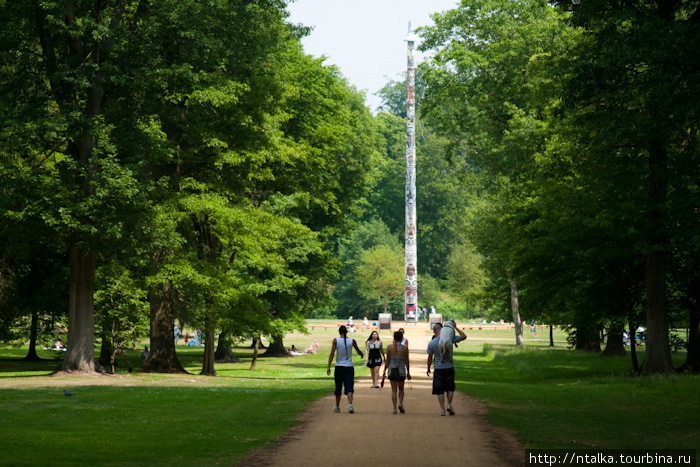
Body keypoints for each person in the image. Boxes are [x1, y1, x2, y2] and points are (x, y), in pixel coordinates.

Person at [427, 321, 467, 416]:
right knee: (450, 387)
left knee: (439, 389)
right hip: (449, 367)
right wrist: (455, 327)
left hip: (438, 368)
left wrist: (428, 368)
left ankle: (442, 409)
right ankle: (449, 404)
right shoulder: (450, 339)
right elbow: (464, 336)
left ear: (434, 331)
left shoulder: (432, 343)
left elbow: (429, 358)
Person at [327, 325, 364, 413]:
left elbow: (332, 353)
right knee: (349, 386)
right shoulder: (352, 341)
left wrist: (328, 366)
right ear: (347, 332)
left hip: (339, 366)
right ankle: (350, 404)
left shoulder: (336, 340)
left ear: (339, 332)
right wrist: (361, 354)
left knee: (338, 386)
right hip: (349, 366)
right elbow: (358, 351)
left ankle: (337, 406)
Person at [383, 330, 411, 414]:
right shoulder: (405, 348)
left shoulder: (389, 347)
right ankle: (400, 403)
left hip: (392, 369)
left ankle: (394, 408)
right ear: (402, 338)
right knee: (401, 389)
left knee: (394, 390)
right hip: (401, 370)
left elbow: (387, 360)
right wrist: (408, 372)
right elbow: (407, 361)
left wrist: (384, 370)